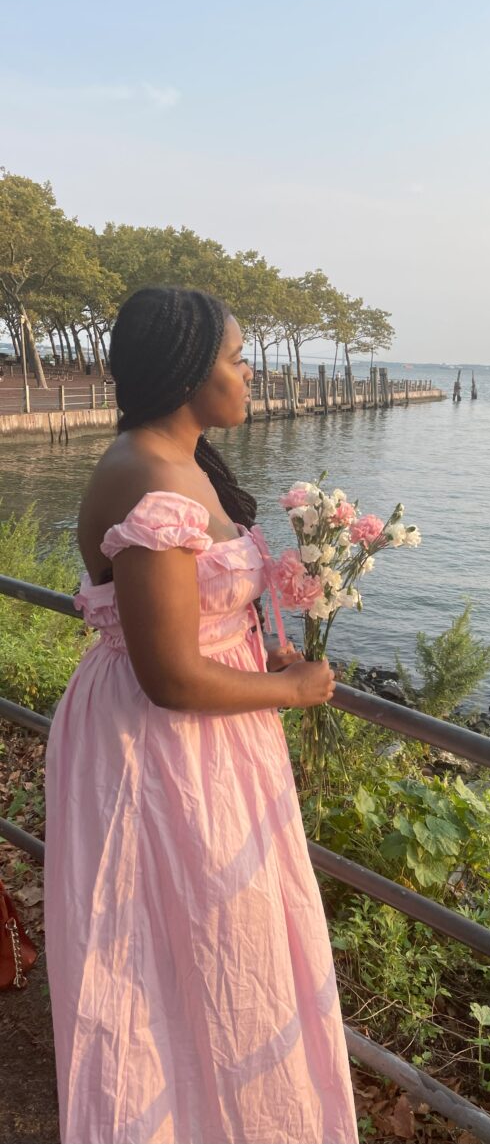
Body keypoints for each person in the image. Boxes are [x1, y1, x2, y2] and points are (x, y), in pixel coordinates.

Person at [44, 287, 359, 1144]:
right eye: (237, 356)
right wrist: (295, 691)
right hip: (160, 754)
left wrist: (272, 652)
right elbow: (171, 675)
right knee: (164, 960)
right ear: (187, 371)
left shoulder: (184, 461)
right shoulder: (148, 476)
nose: (250, 371)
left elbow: (203, 622)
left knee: (217, 950)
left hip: (214, 749)